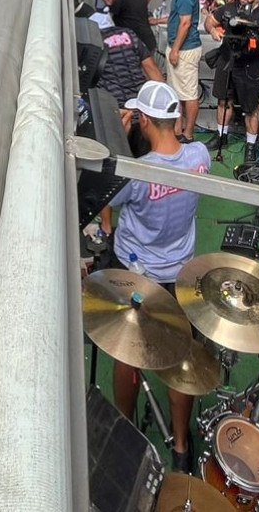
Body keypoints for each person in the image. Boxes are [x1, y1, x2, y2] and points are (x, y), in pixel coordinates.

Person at [99, 81, 210, 473]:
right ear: (175, 117)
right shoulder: (200, 156)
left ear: (143, 119)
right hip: (181, 274)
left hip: (139, 277)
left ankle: (126, 433)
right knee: (181, 357)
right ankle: (181, 448)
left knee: (128, 354)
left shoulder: (137, 172)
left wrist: (124, 136)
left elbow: (107, 200)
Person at [205, 0, 259, 163]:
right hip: (228, 59)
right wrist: (213, 31)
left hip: (250, 66)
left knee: (251, 108)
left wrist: (256, 26)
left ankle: (250, 146)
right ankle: (221, 136)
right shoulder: (228, 8)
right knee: (223, 100)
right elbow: (209, 21)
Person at [91, 0, 163, 106]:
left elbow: (152, 70)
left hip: (134, 45)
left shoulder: (126, 34)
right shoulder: (91, 17)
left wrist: (164, 98)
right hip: (118, 101)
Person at [161, 0, 202, 143]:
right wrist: (157, 20)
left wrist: (176, 49)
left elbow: (185, 22)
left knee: (188, 93)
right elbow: (178, 18)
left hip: (185, 50)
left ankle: (188, 133)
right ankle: (178, 130)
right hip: (180, 48)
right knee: (176, 92)